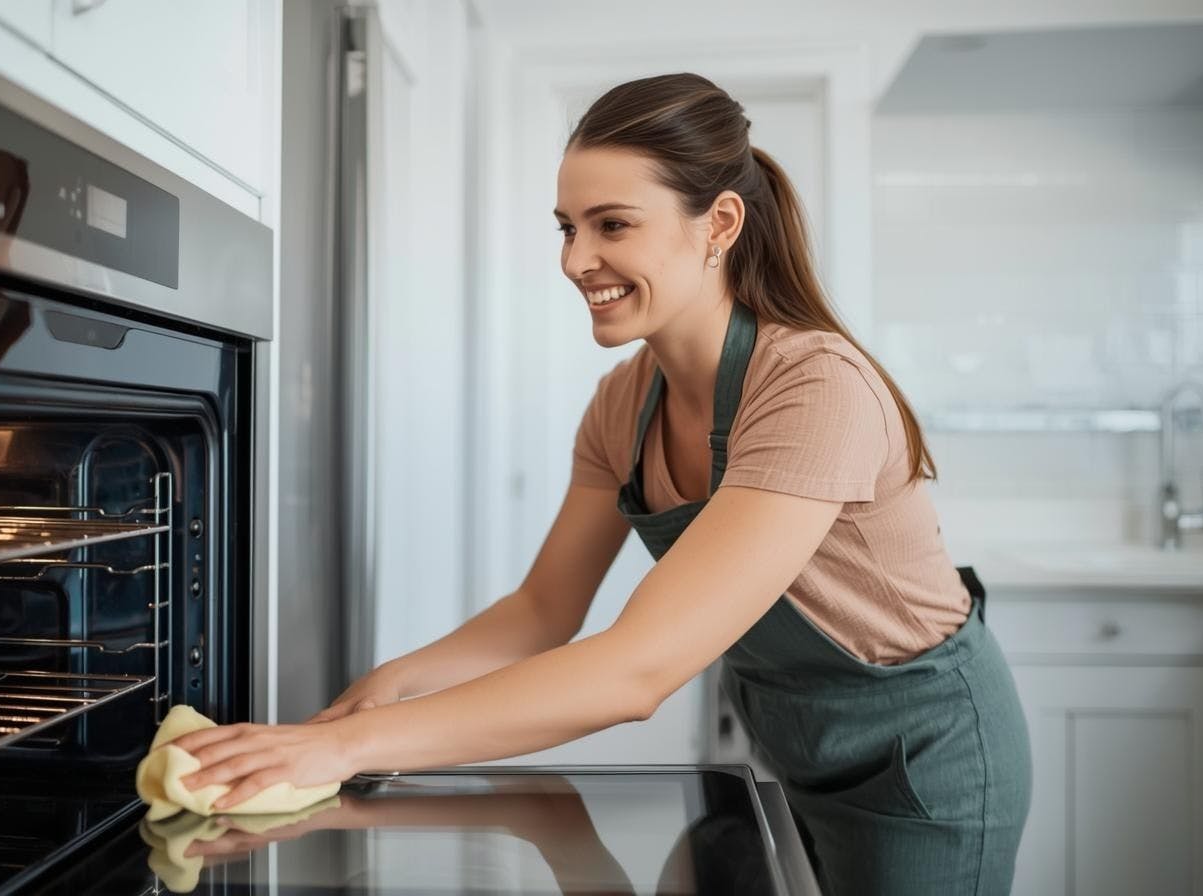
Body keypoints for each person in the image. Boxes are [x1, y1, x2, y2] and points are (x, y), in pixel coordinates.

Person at [171, 73, 1031, 895]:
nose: (577, 259)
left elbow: (635, 672)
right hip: (796, 748)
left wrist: (351, 751)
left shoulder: (815, 388)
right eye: (566, 227)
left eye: (612, 225)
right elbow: (545, 609)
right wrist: (389, 685)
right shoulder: (624, 403)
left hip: (924, 758)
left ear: (719, 223)